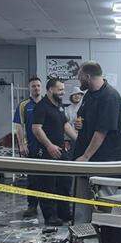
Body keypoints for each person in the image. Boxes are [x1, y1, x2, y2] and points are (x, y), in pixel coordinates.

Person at [31, 78, 78, 226]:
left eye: (63, 90)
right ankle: (50, 216)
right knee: (48, 185)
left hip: (60, 150)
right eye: (60, 90)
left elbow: (65, 125)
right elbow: (36, 128)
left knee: (65, 182)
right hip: (47, 151)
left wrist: (78, 139)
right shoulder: (42, 106)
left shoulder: (59, 106)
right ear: (50, 89)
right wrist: (49, 146)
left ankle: (64, 213)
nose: (63, 92)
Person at [73, 62, 121, 162]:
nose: (78, 79)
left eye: (80, 76)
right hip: (87, 152)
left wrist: (86, 156)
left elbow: (101, 132)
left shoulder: (109, 97)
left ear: (88, 77)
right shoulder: (89, 94)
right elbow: (81, 115)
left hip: (103, 158)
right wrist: (79, 122)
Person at [13, 76, 44, 218]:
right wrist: (21, 144)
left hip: (46, 146)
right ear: (29, 88)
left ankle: (49, 206)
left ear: (41, 87)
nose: (36, 88)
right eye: (33, 86)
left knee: (48, 177)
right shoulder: (23, 105)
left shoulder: (48, 103)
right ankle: (32, 206)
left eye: (38, 85)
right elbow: (19, 126)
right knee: (32, 178)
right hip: (30, 146)